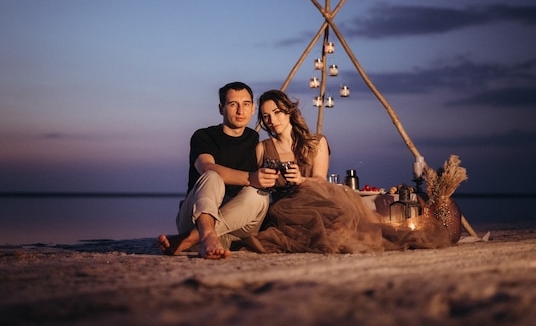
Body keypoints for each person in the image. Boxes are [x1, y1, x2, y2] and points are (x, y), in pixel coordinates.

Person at [245, 89, 451, 254]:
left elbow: (319, 179)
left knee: (345, 224)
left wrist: (300, 179)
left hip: (315, 194)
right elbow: (252, 179)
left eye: (277, 112)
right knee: (301, 234)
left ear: (289, 111)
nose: (272, 119)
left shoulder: (316, 142)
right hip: (284, 207)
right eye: (266, 116)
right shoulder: (263, 148)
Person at [158, 82, 279, 259]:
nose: (240, 111)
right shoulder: (203, 136)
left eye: (246, 104)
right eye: (233, 104)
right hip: (196, 218)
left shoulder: (254, 139)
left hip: (236, 229)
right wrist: (251, 178)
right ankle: (205, 234)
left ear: (253, 108)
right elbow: (206, 167)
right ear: (221, 108)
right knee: (213, 176)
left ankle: (192, 240)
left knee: (259, 195)